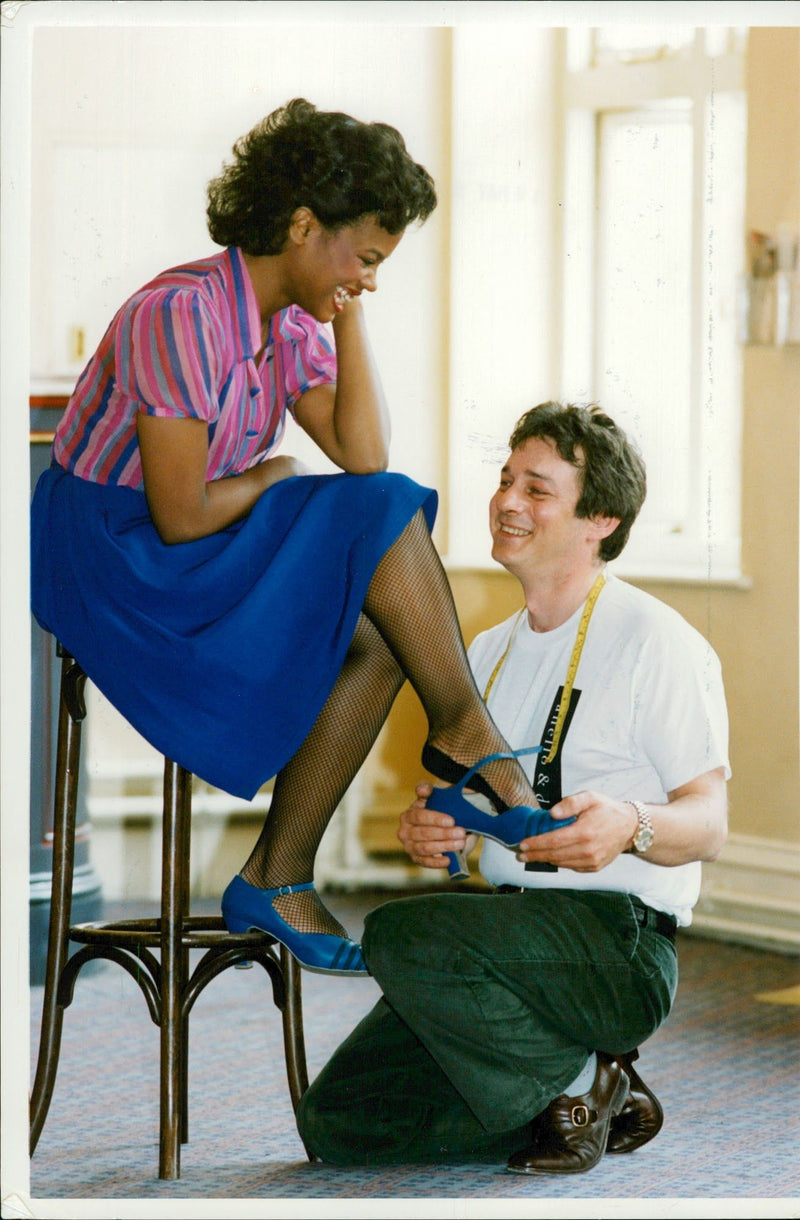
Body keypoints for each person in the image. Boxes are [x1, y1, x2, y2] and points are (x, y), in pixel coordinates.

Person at [29, 98, 546, 977]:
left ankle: (277, 875)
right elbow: (180, 514)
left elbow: (364, 452)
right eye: (368, 258)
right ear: (303, 225)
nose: (375, 278)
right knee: (369, 512)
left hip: (185, 547)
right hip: (113, 558)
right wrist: (272, 477)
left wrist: (347, 312)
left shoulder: (289, 325)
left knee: (385, 629)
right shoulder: (183, 313)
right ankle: (467, 735)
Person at [295, 400, 730, 1173]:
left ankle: (574, 1081)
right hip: (507, 940)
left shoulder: (655, 639)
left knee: (400, 933)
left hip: (615, 945)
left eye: (537, 488)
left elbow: (711, 822)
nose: (506, 501)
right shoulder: (485, 653)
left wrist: (631, 822)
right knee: (342, 1122)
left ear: (599, 518)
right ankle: (593, 1097)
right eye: (504, 481)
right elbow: (482, 808)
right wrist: (438, 827)